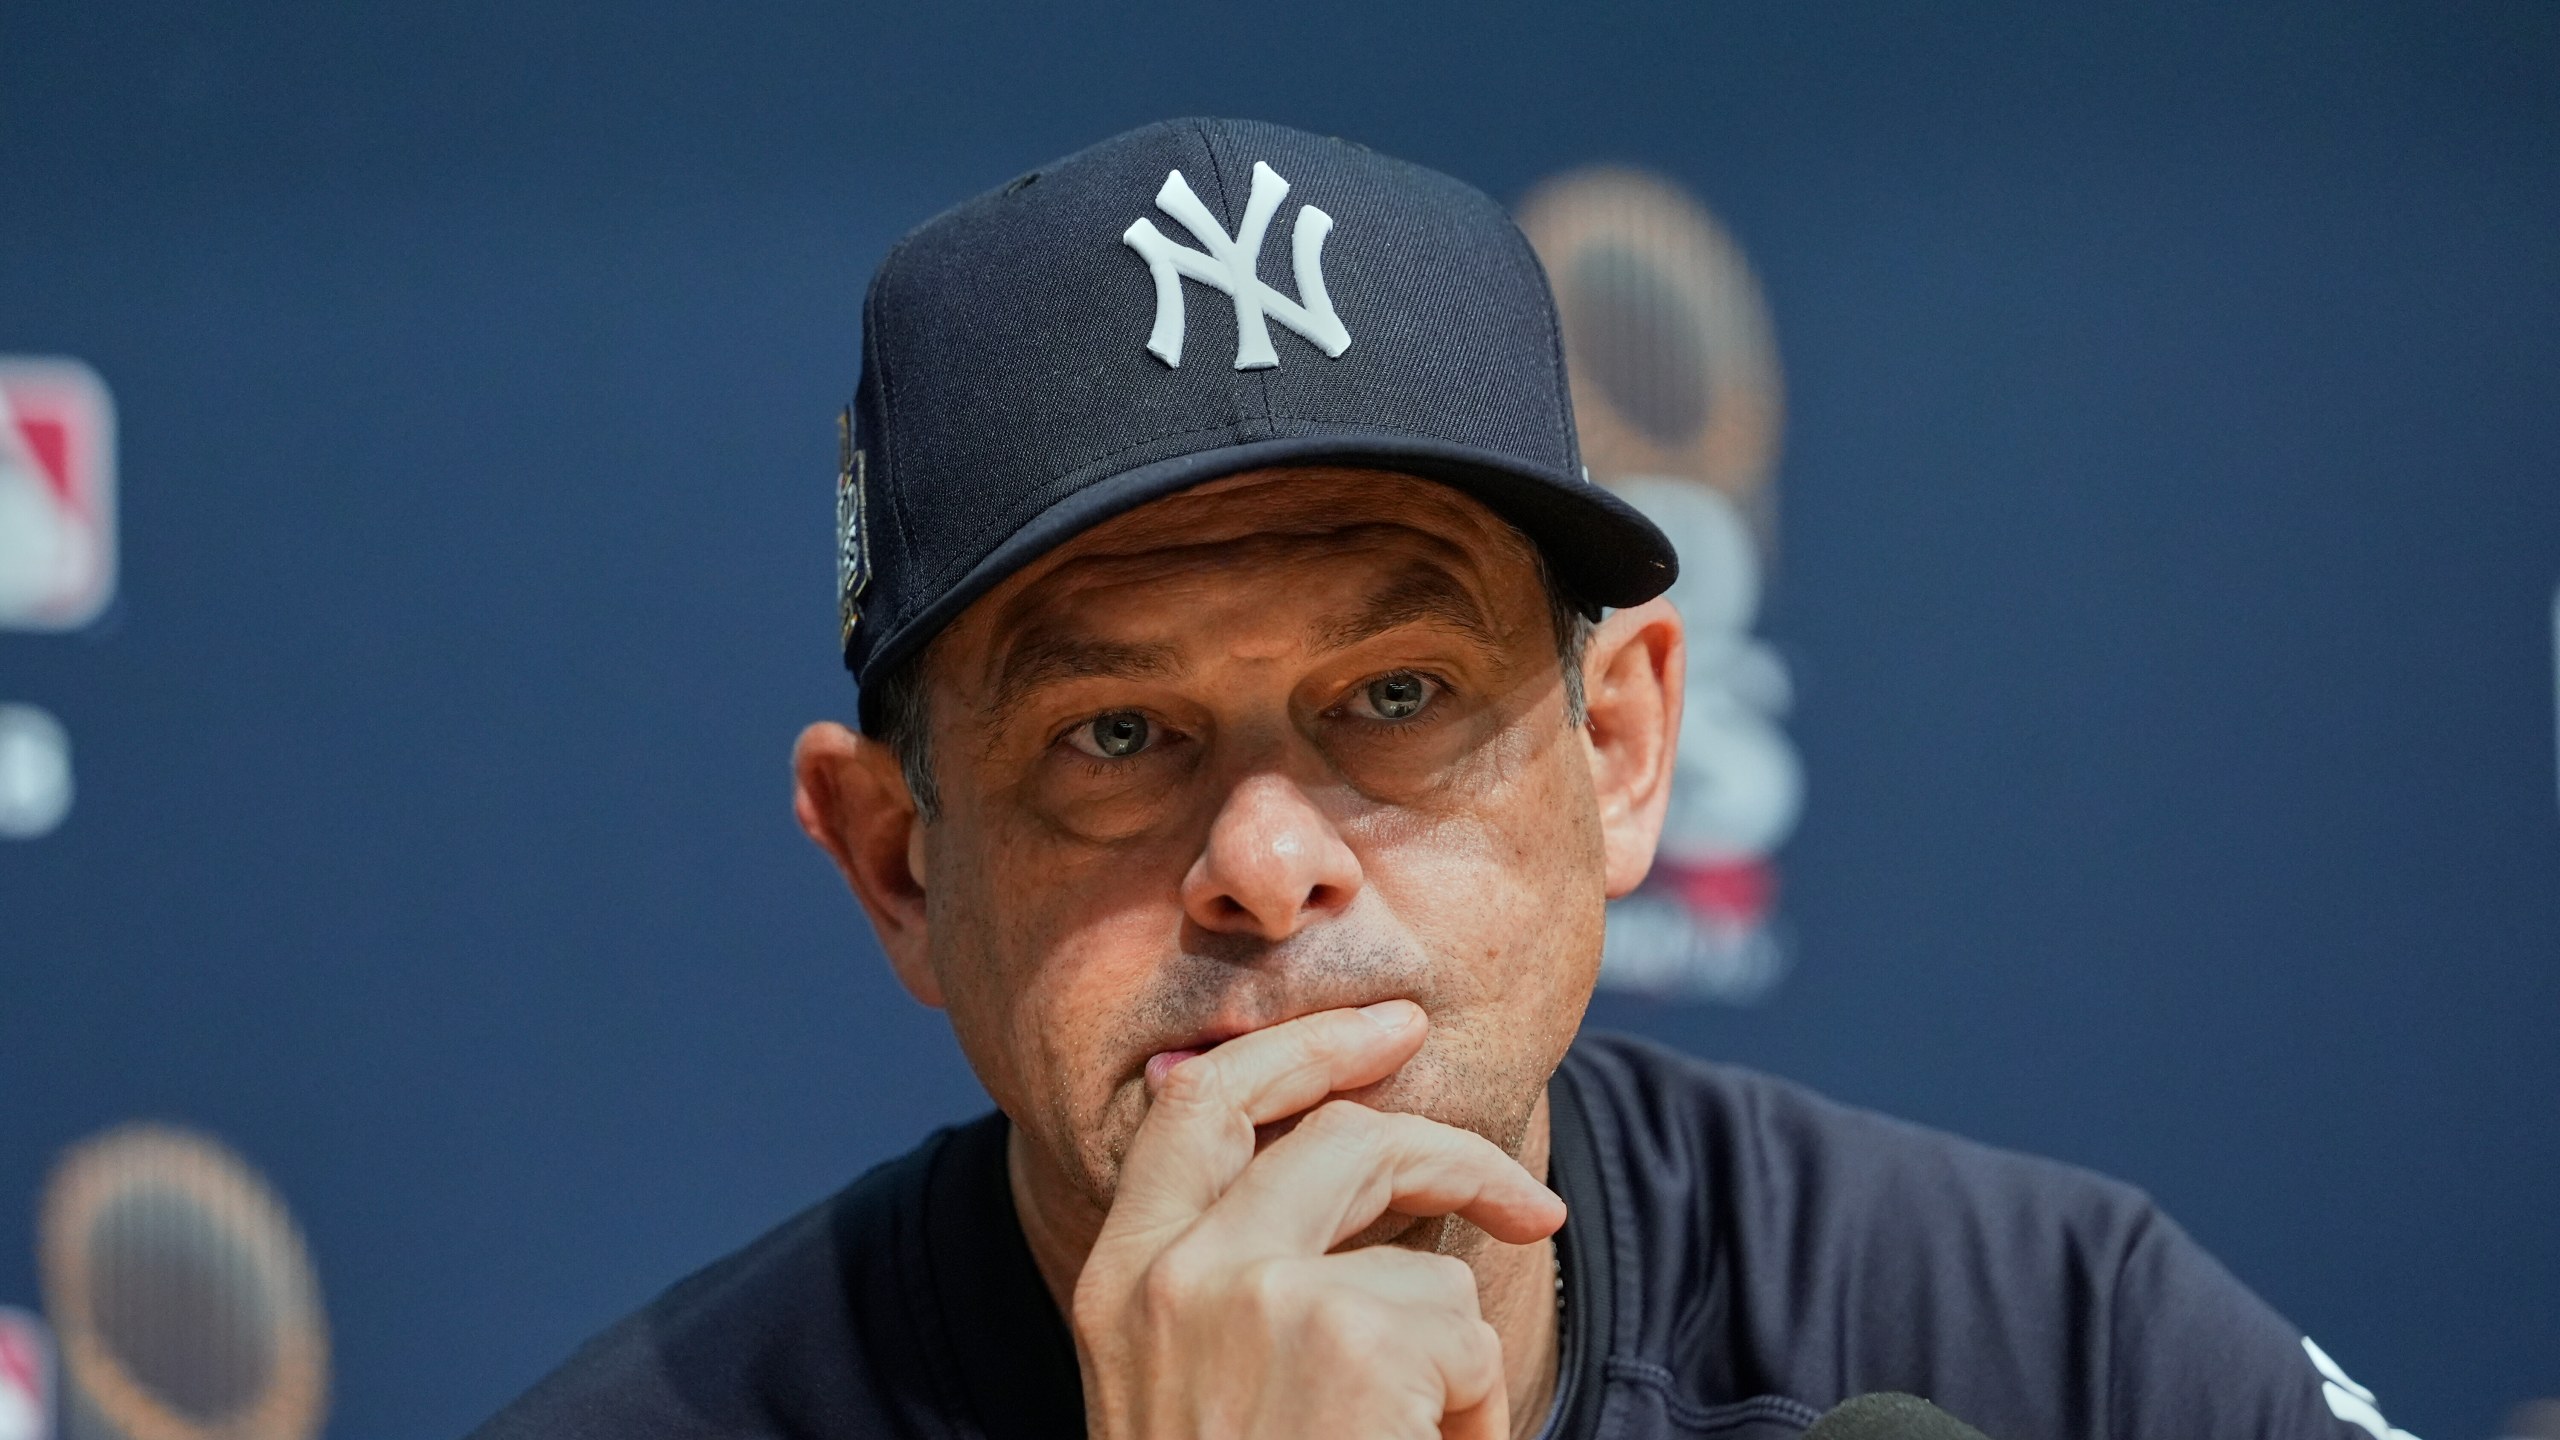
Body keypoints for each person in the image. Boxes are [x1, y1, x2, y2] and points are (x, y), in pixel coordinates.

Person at [468, 118, 2411, 1440]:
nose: (1265, 861)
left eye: (1392, 690)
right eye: (1113, 735)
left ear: (1623, 749)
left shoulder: (2043, 1349)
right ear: (900, 866)